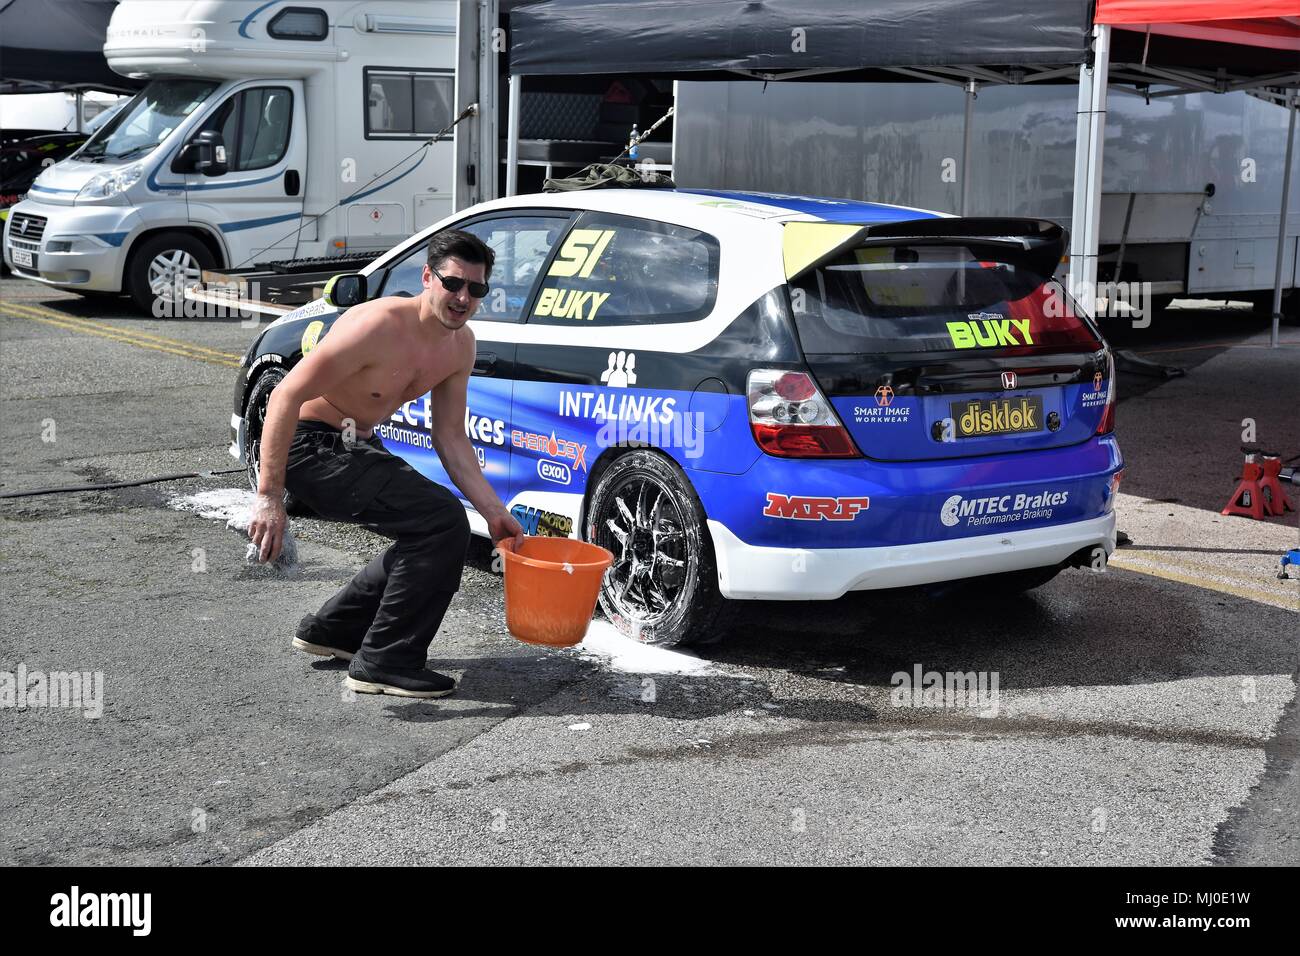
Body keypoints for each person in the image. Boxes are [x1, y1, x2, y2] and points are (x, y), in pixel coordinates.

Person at [247, 229, 524, 699]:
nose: (463, 298)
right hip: (307, 444)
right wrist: (269, 498)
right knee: (440, 522)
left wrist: (494, 512)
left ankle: (334, 629)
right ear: (427, 278)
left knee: (431, 529)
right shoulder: (377, 325)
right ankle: (386, 660)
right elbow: (284, 395)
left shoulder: (459, 346)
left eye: (476, 289)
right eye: (453, 284)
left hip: (354, 445)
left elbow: (451, 438)